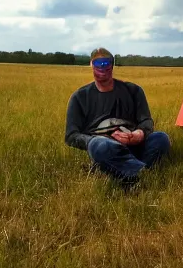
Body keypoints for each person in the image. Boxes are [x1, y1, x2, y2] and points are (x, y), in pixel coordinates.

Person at [65, 47, 171, 189]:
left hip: (133, 143)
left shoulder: (133, 91)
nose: (102, 67)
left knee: (161, 138)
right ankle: (143, 173)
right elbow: (71, 136)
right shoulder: (79, 97)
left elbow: (146, 121)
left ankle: (125, 173)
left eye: (106, 63)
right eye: (98, 63)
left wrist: (139, 134)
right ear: (91, 65)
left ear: (112, 65)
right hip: (107, 149)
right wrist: (94, 141)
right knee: (99, 147)